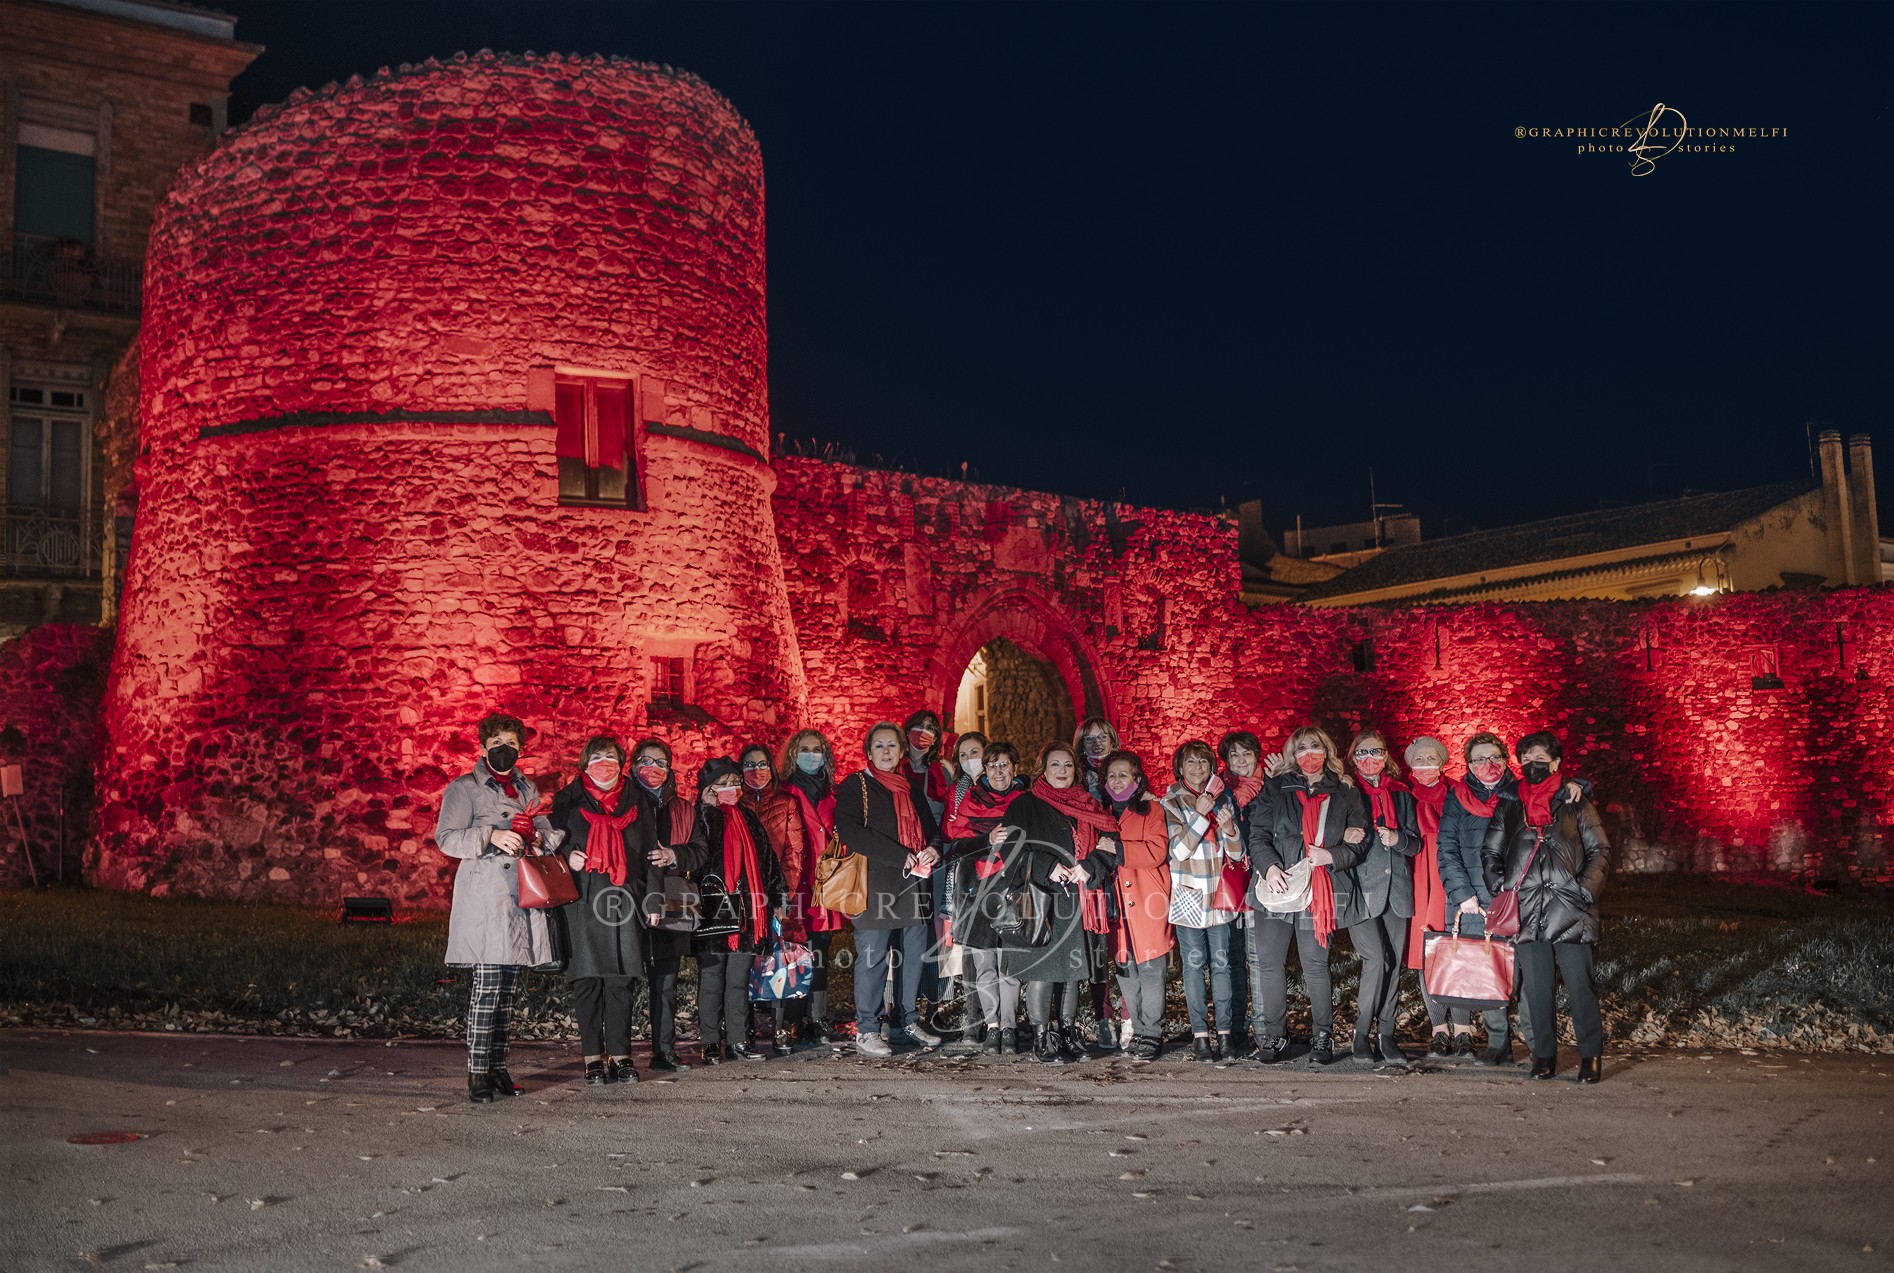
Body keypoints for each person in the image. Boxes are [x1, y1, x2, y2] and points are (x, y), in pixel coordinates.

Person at [552, 734, 698, 1086]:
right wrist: (566, 857)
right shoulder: (567, 801)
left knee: (621, 980)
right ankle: (592, 1059)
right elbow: (546, 844)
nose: (606, 763)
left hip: (625, 900)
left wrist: (653, 901)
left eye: (613, 757)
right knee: (587, 982)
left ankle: (621, 1055)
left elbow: (650, 856)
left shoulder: (636, 802)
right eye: (598, 756)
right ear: (585, 762)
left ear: (622, 764)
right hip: (583, 900)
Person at [1435, 731, 1587, 1065]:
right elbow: (1446, 849)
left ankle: (1537, 1047)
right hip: (1476, 898)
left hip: (1524, 896)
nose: (1487, 765)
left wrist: (1578, 783)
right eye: (1479, 759)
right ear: (1469, 764)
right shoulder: (1457, 797)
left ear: (1506, 760)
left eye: (1494, 758)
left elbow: (1559, 789)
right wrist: (1462, 895)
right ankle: (1499, 1043)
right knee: (1491, 973)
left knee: (1530, 974)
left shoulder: (1522, 792)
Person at [436, 712, 565, 1103]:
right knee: (487, 986)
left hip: (519, 895)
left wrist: (539, 835)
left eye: (510, 743)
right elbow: (446, 838)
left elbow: (543, 829)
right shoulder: (464, 788)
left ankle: (498, 1067)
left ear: (521, 748)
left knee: (507, 990)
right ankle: (477, 1071)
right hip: (487, 896)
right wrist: (491, 834)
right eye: (496, 744)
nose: (503, 749)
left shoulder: (527, 787)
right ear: (484, 746)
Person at [1481, 731, 1609, 1084]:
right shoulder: (1510, 803)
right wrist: (1500, 887)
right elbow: (1491, 850)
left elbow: (1600, 850)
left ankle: (1590, 1056)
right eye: (1526, 758)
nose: (1532, 763)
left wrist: (1583, 892)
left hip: (1570, 908)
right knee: (1536, 989)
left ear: (1556, 762)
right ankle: (1545, 1056)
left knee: (1580, 986)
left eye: (1539, 756)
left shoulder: (1575, 801)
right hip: (1525, 909)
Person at [1246, 726, 1370, 1065]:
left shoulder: (1344, 792)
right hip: (1277, 886)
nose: (1308, 753)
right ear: (1292, 755)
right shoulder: (1276, 788)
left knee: (1315, 964)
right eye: (1301, 748)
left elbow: (1361, 840)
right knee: (1269, 964)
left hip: (1319, 886)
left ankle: (1322, 1036)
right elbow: (1256, 835)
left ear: (1327, 750)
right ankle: (1275, 1037)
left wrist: (1333, 856)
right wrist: (1270, 868)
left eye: (1315, 746)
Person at [997, 743, 1121, 1064]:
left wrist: (1091, 865)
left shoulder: (1088, 804)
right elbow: (1009, 848)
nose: (1062, 771)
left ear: (1076, 770)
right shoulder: (1025, 805)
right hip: (1043, 898)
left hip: (1080, 898)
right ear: (1043, 769)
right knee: (1044, 970)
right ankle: (1043, 1036)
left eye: (1067, 766)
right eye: (1055, 765)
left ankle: (1066, 1031)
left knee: (1071, 971)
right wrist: (1046, 865)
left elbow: (1111, 843)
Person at [836, 722, 944, 1058]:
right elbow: (851, 831)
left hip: (914, 884)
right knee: (873, 959)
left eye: (892, 746)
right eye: (879, 746)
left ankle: (906, 1021)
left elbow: (933, 831)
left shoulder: (910, 788)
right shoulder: (855, 785)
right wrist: (902, 856)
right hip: (876, 886)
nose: (886, 751)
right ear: (868, 752)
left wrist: (934, 849)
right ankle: (868, 1028)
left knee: (913, 958)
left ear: (901, 752)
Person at [689, 757, 789, 1064]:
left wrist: (778, 899)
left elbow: (768, 861)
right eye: (723, 784)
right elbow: (699, 854)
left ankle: (737, 1041)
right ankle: (708, 1041)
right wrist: (706, 810)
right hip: (712, 912)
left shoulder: (748, 819)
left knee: (737, 981)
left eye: (734, 782)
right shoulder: (700, 818)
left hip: (748, 912)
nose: (731, 788)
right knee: (711, 980)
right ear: (708, 789)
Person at [1342, 729, 1422, 1065]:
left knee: (1393, 962)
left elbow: (1415, 843)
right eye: (1362, 753)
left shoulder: (1402, 794)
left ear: (1386, 756)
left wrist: (1398, 840)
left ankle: (1386, 1034)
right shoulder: (1346, 793)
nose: (1369, 759)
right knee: (1376, 958)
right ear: (1353, 758)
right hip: (1361, 888)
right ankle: (1361, 1034)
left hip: (1398, 891)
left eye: (1376, 752)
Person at [943, 737, 1028, 1053]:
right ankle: (992, 1027)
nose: (998, 771)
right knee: (985, 964)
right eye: (992, 764)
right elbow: (957, 845)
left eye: (1004, 764)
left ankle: (1009, 1027)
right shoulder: (972, 800)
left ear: (1014, 767)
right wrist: (986, 838)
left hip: (1011, 891)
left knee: (1009, 967)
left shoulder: (1024, 802)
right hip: (977, 892)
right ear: (985, 769)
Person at [1161, 739, 1244, 1062]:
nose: (1198, 769)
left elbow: (1236, 854)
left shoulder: (1224, 799)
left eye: (1204, 763)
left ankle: (1224, 1034)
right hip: (1188, 896)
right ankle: (1200, 1035)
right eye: (1191, 763)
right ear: (1180, 769)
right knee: (1195, 967)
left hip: (1219, 895)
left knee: (1221, 966)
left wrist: (1230, 828)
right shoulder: (1169, 803)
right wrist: (1199, 816)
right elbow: (1178, 851)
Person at [627, 737, 696, 1073]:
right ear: (633, 764)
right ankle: (620, 1053)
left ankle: (663, 1050)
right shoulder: (623, 802)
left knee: (666, 981)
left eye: (660, 763)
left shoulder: (682, 808)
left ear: (670, 769)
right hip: (630, 897)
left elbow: (699, 850)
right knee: (623, 979)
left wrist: (675, 854)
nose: (652, 769)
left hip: (670, 896)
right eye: (645, 761)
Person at [738, 743, 810, 1057]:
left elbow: (795, 853)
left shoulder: (786, 803)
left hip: (778, 892)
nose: (757, 771)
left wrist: (784, 895)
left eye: (763, 764)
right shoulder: (736, 803)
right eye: (750, 765)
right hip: (742, 895)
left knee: (780, 959)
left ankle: (781, 1026)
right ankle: (746, 1028)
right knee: (744, 960)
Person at [1102, 750, 1172, 1060]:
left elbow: (1156, 850)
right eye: (1112, 775)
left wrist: (1115, 847)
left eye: (1123, 774)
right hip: (1115, 905)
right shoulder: (1101, 812)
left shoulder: (1151, 809)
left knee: (1151, 968)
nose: (1117, 780)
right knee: (1125, 967)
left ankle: (1152, 1032)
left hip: (1146, 900)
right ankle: (1140, 1027)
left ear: (1136, 779)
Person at [779, 728, 846, 1042]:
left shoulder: (835, 795)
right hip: (797, 885)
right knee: (795, 952)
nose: (811, 754)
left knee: (820, 952)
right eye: (804, 749)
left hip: (827, 886)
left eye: (817, 749)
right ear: (794, 754)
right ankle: (793, 1019)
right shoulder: (784, 792)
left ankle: (817, 1018)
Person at [1399, 736, 1463, 1057]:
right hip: (1418, 877)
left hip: (1451, 875)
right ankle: (1439, 1030)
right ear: (1410, 764)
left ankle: (1463, 1030)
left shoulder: (1458, 792)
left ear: (1442, 761)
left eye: (1430, 758)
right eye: (1418, 760)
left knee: (1456, 946)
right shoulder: (1402, 795)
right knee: (1427, 952)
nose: (1425, 765)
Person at [1216, 730, 1270, 1055]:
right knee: (1233, 958)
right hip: (1230, 880)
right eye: (1233, 756)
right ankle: (1236, 1031)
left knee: (1259, 959)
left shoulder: (1271, 787)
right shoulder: (1219, 791)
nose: (1240, 761)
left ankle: (1264, 1032)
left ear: (1257, 756)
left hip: (1262, 880)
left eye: (1245, 754)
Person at [903, 709, 955, 1016]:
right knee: (905, 927)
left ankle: (936, 1003)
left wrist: (939, 848)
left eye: (930, 730)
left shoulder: (943, 770)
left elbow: (949, 812)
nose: (922, 733)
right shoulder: (894, 767)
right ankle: (900, 1003)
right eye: (917, 727)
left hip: (937, 855)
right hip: (904, 857)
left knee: (937, 929)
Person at [1073, 717, 1121, 802]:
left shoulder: (1126, 766)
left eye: (1103, 737)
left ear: (1112, 741)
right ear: (1082, 744)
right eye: (1089, 739)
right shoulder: (1075, 770)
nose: (1097, 743)